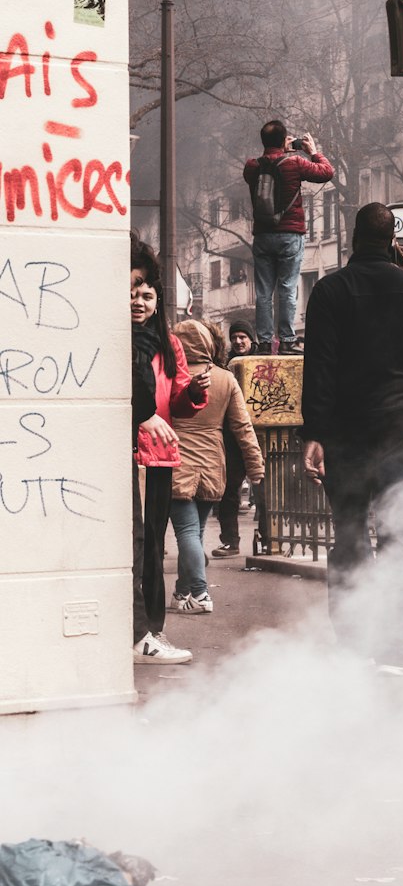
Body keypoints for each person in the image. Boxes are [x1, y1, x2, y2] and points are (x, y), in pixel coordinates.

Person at [301, 202, 403, 673]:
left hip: (347, 432)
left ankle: (352, 638)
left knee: (349, 532)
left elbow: (319, 368)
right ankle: (395, 646)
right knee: (399, 535)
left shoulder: (329, 290)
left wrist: (315, 434)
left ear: (351, 238)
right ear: (393, 242)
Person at [131, 242, 209, 665]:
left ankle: (153, 629)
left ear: (158, 300)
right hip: (132, 452)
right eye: (132, 293)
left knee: (154, 547)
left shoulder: (169, 344)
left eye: (146, 295)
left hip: (161, 454)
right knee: (136, 543)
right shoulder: (118, 339)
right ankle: (139, 631)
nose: (139, 301)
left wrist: (193, 393)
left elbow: (177, 398)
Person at [167, 320, 265, 612]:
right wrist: (255, 465)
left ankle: (199, 593)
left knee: (186, 532)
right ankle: (182, 591)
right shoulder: (225, 378)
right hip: (212, 462)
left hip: (177, 460)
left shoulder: (170, 375)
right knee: (194, 532)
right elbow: (243, 427)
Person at [244, 121, 335, 353]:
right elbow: (327, 172)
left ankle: (264, 343)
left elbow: (265, 167)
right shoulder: (294, 163)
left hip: (263, 236)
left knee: (264, 292)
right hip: (290, 234)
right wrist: (313, 152)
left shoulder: (252, 166)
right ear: (284, 139)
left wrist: (278, 149)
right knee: (287, 287)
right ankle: (286, 340)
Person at [210, 320, 256, 556]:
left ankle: (268, 540)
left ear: (251, 339)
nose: (238, 341)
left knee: (267, 491)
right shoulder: (224, 365)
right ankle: (231, 541)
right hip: (230, 438)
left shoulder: (262, 361)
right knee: (229, 492)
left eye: (243, 337)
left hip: (259, 436)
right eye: (235, 337)